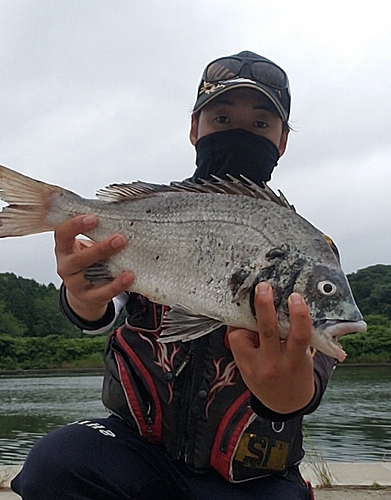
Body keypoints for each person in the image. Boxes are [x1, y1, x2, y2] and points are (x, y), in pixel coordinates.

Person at [12, 51, 336, 500]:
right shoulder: (162, 213)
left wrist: (286, 393)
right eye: (221, 118)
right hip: (138, 449)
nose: (240, 132)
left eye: (260, 124)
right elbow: (105, 304)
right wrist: (84, 299)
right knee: (54, 463)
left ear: (282, 142)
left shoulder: (308, 247)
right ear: (193, 131)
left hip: (250, 475)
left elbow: (320, 355)